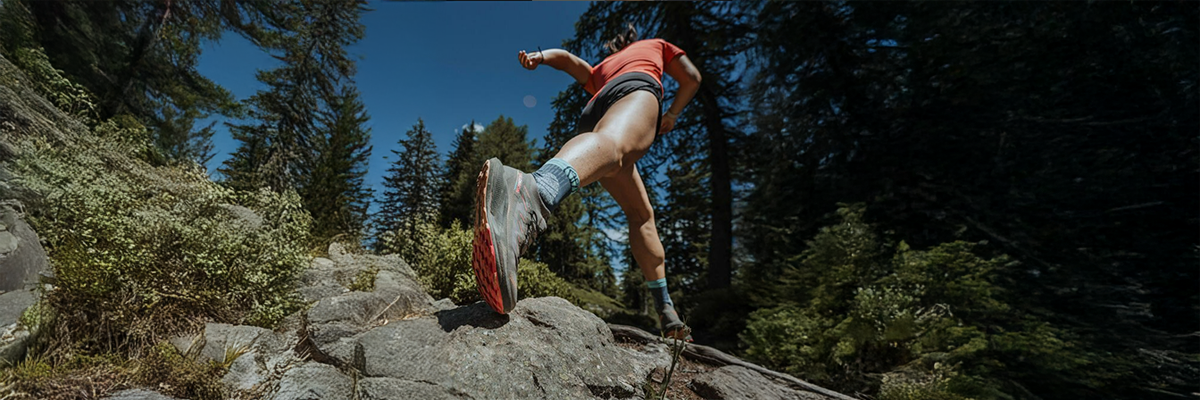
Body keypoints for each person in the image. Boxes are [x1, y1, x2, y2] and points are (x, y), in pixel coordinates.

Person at [471, 23, 701, 340]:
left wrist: (538, 56)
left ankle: (667, 312)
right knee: (615, 147)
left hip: (595, 110)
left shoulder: (600, 69)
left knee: (641, 214)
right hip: (636, 91)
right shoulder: (657, 45)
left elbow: (566, 59)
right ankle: (534, 193)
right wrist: (672, 113)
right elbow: (692, 78)